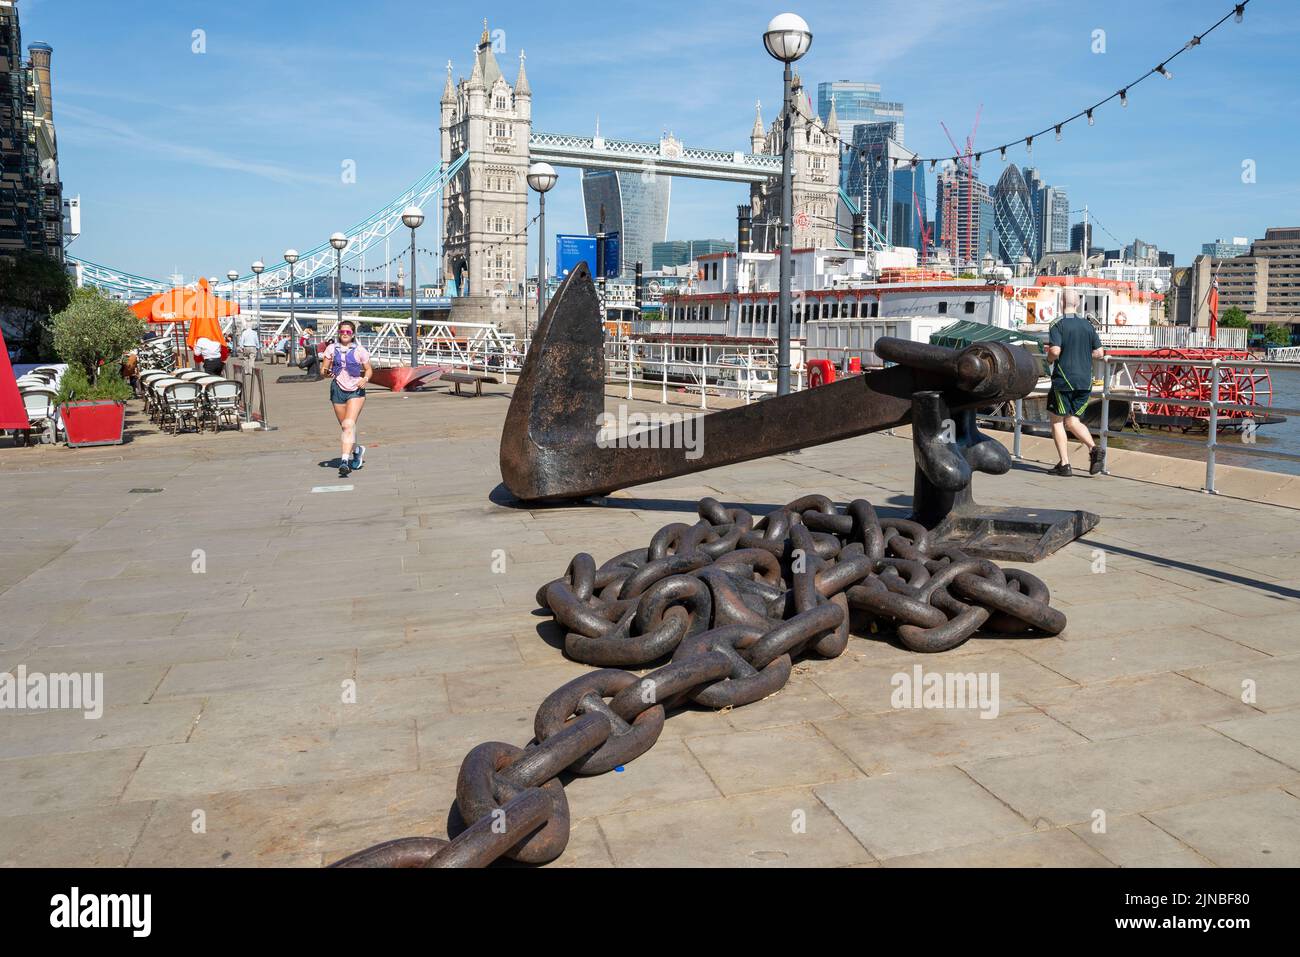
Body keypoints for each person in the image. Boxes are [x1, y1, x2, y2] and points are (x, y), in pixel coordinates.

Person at [1046, 289, 1105, 477]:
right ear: (1078, 304)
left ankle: (1065, 464)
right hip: (1085, 380)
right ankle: (1094, 448)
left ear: (1060, 302)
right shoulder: (1088, 326)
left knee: (1056, 420)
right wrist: (1082, 353)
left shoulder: (1058, 324)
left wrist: (1048, 360)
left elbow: (1055, 351)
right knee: (1072, 421)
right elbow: (1099, 353)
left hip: (1064, 379)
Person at [321, 320, 373, 477]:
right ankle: (357, 450)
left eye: (348, 332)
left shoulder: (360, 350)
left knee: (349, 424)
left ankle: (344, 462)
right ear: (338, 333)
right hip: (337, 389)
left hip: (356, 390)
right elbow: (323, 369)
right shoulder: (331, 349)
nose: (345, 334)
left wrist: (365, 379)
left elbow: (369, 369)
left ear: (353, 334)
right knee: (345, 428)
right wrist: (326, 372)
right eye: (342, 332)